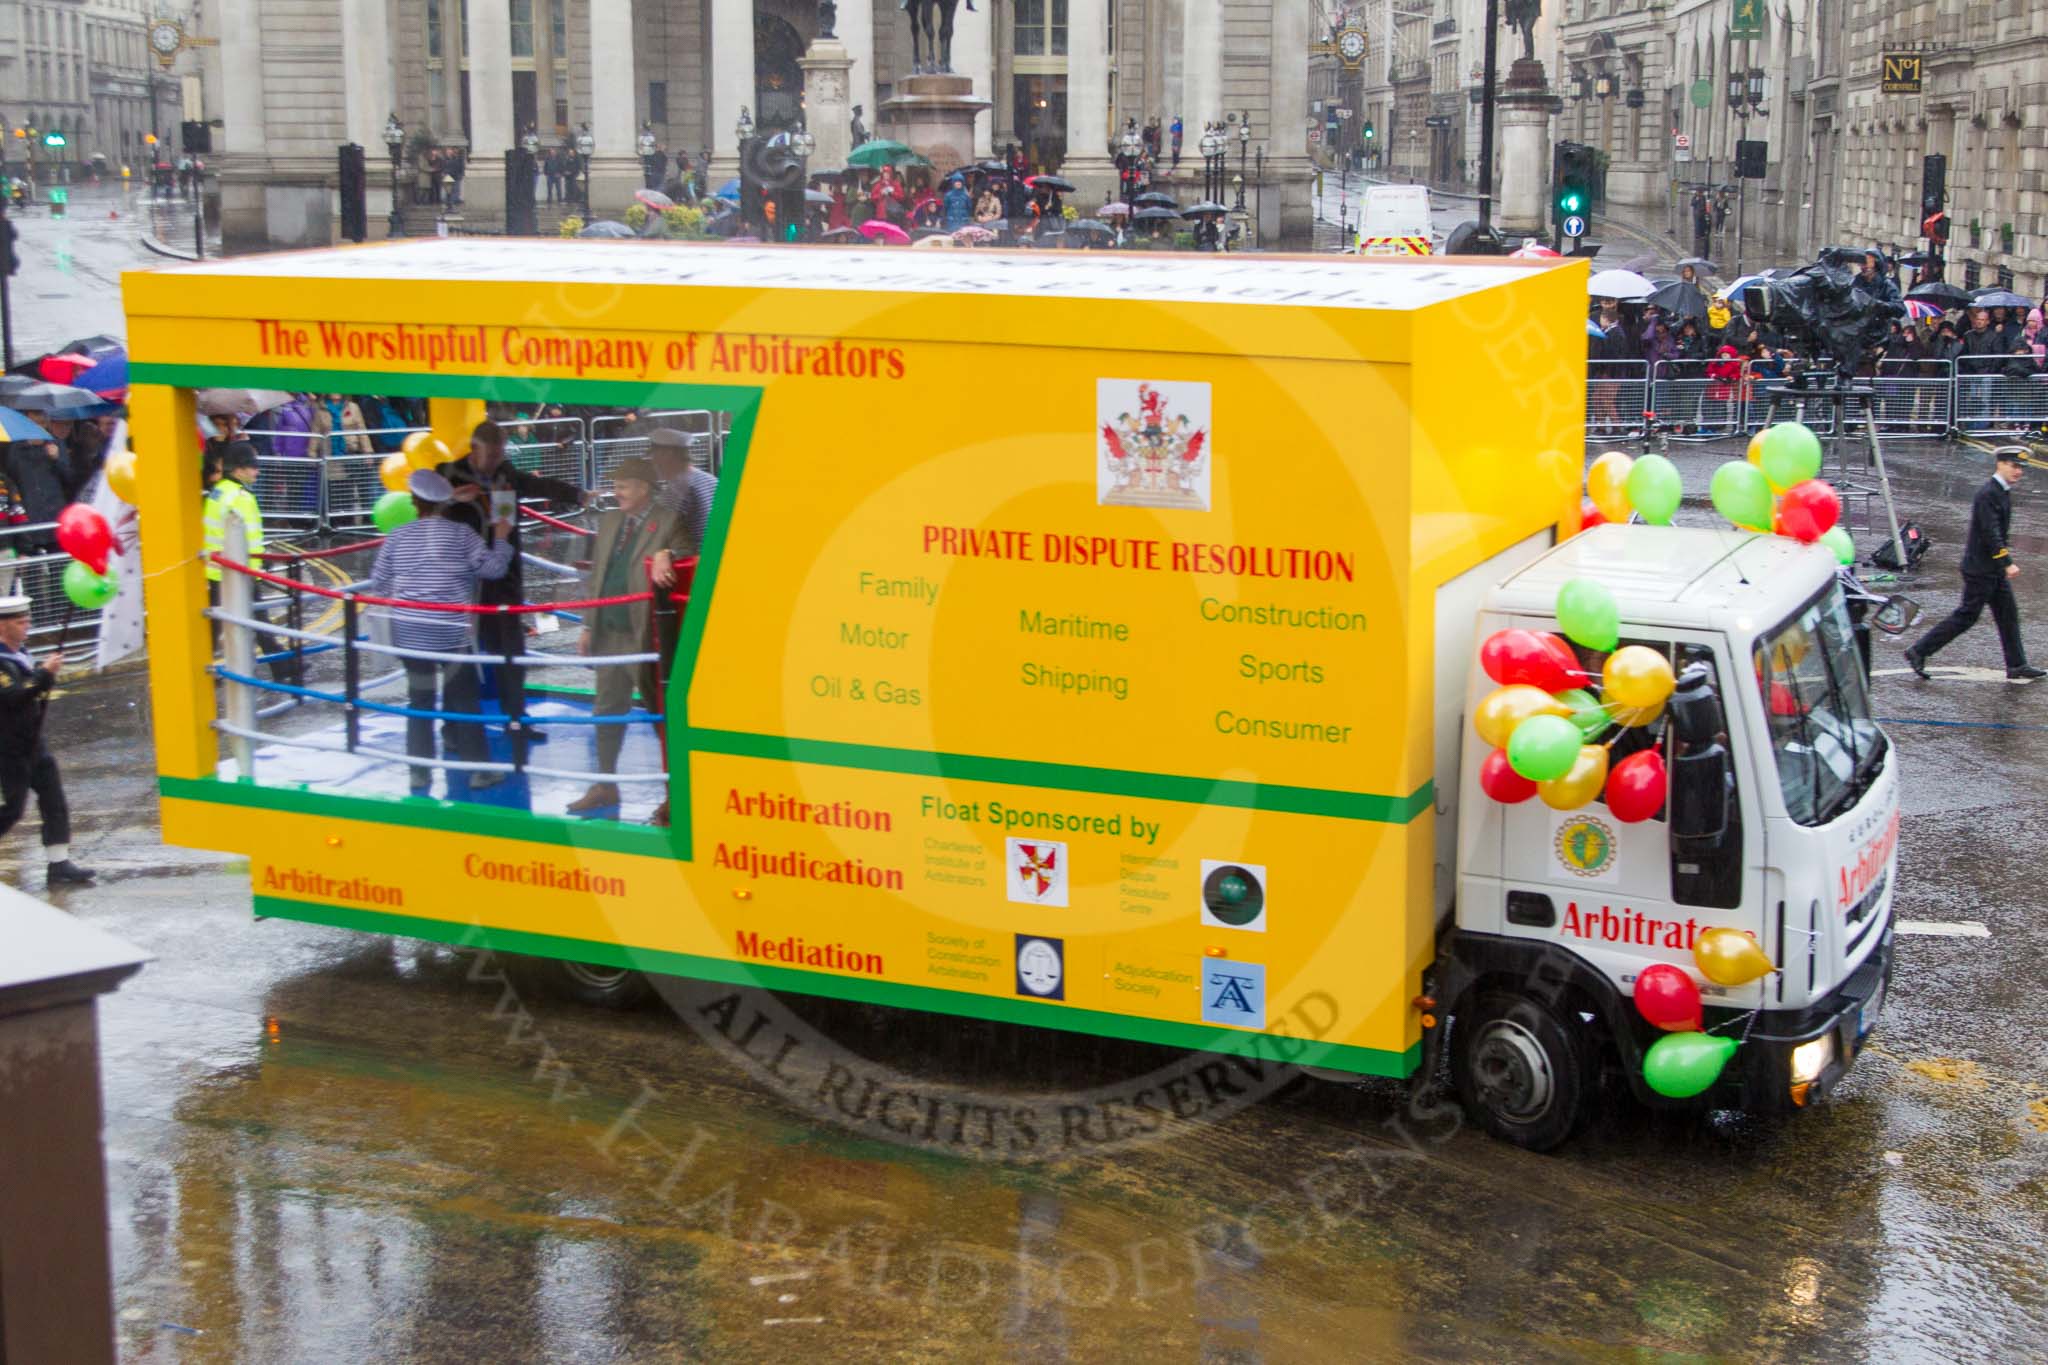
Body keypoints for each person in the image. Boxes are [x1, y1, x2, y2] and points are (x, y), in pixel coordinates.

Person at [437, 420, 589, 759]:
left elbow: (539, 485)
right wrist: (453, 496)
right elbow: (421, 503)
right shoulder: (447, 472)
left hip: (503, 581)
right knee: (459, 659)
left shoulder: (506, 471)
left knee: (512, 652)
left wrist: (577, 493)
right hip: (463, 585)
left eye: (500, 454)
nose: (496, 461)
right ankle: (451, 727)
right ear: (475, 450)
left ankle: (517, 720)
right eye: (491, 456)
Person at [369, 471, 516, 796]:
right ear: (444, 504)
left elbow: (377, 581)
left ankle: (419, 774)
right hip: (450, 631)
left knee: (419, 699)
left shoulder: (397, 535)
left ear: (413, 502)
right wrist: (502, 537)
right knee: (465, 700)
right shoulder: (462, 534)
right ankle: (478, 771)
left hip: (406, 629)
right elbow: (493, 569)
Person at [569, 458, 692, 818]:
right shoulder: (609, 522)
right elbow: (598, 579)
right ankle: (604, 785)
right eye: (616, 485)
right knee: (605, 712)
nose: (616, 492)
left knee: (660, 713)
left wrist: (667, 554)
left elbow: (688, 554)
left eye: (623, 485)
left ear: (643, 488)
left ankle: (675, 792)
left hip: (648, 639)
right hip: (608, 633)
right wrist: (589, 626)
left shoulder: (669, 522)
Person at [1906, 449, 2044, 681]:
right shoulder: (1988, 493)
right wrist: (2007, 562)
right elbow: (1990, 533)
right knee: (1966, 616)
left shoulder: (2001, 491)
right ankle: (1919, 650)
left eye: (2021, 467)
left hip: (1992, 569)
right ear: (2000, 464)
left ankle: (2017, 665)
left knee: (2008, 614)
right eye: (2014, 466)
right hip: (1981, 569)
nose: (2018, 471)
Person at [0, 594, 92, 884]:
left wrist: (43, 677)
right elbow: (14, 694)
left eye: (27, 618)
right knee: (12, 809)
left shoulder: (20, 654)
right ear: (2, 627)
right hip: (7, 748)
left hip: (33, 743)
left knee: (54, 800)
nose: (27, 624)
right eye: (19, 621)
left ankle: (59, 862)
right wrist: (43, 674)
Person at [203, 443, 299, 683]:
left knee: (216, 625)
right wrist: (261, 560)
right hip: (240, 570)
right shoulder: (240, 497)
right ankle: (282, 666)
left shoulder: (218, 491)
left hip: (218, 570)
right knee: (258, 620)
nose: (257, 472)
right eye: (252, 467)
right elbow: (249, 536)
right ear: (238, 470)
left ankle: (205, 668)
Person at [646, 428, 717, 547]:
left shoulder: (676, 491)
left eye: (654, 455)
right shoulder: (710, 480)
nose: (652, 461)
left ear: (667, 454)